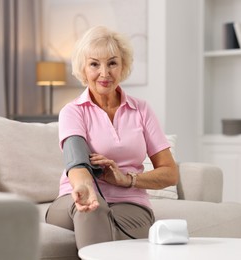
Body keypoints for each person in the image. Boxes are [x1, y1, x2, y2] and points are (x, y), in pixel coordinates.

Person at [45, 25, 179, 250]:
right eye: (94, 64)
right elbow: (76, 160)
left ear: (123, 66)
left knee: (95, 219)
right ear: (83, 68)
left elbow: (170, 173)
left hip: (131, 204)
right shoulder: (73, 111)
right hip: (73, 198)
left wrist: (127, 180)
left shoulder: (142, 110)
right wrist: (86, 188)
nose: (104, 73)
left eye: (112, 63)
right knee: (90, 209)